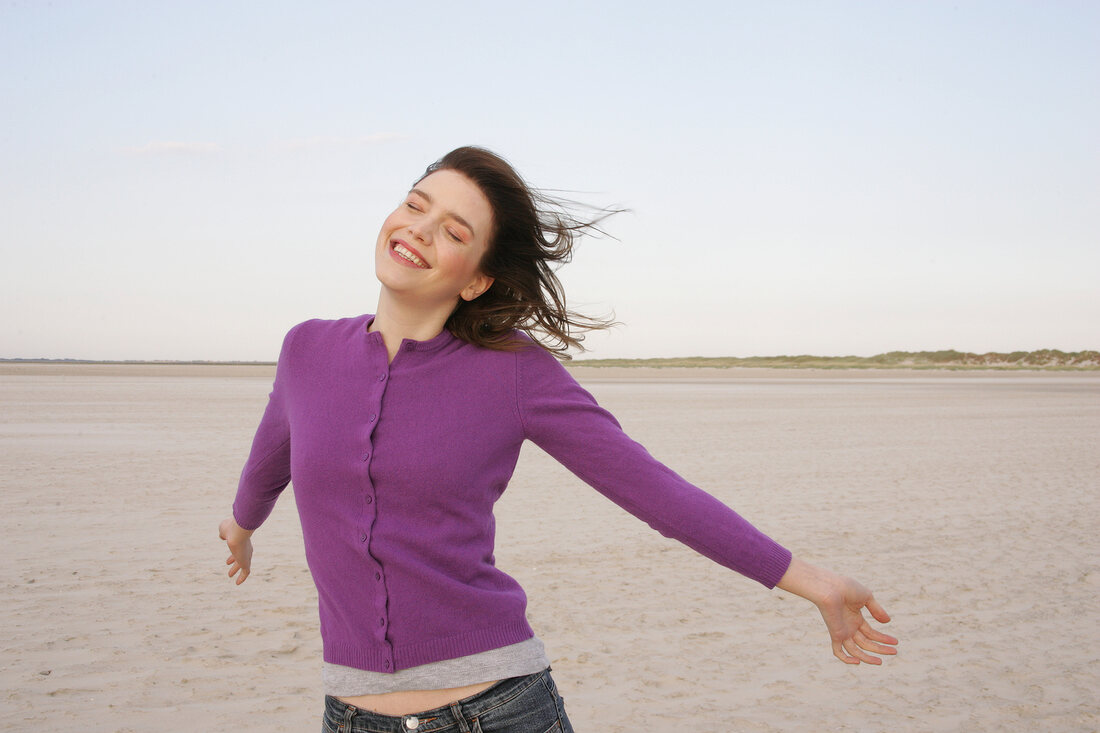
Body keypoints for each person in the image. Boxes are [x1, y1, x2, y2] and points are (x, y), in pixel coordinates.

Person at [219, 146, 897, 733]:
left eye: (453, 230)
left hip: (496, 707)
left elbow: (654, 491)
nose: (418, 229)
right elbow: (271, 456)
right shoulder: (306, 349)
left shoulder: (513, 371)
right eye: (415, 205)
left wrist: (812, 581)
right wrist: (241, 524)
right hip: (351, 714)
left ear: (478, 276)